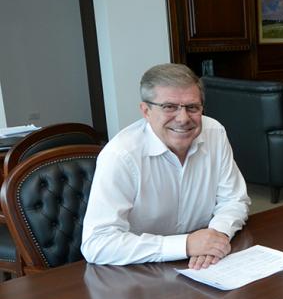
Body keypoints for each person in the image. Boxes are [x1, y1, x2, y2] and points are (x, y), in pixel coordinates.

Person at [81, 63, 250, 269]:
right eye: (169, 107)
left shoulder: (214, 132)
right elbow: (97, 243)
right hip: (138, 271)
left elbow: (234, 200)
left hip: (204, 265)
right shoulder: (121, 155)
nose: (183, 118)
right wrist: (185, 245)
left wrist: (216, 236)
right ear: (146, 111)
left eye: (192, 107)